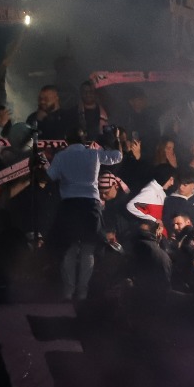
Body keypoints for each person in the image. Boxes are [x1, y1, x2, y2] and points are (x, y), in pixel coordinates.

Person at [46, 128, 124, 301]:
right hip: (90, 205)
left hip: (69, 205)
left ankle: (68, 291)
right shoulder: (94, 154)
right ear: (85, 140)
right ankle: (82, 293)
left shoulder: (61, 156)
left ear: (67, 140)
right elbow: (117, 156)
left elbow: (49, 177)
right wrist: (116, 139)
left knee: (70, 248)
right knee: (88, 249)